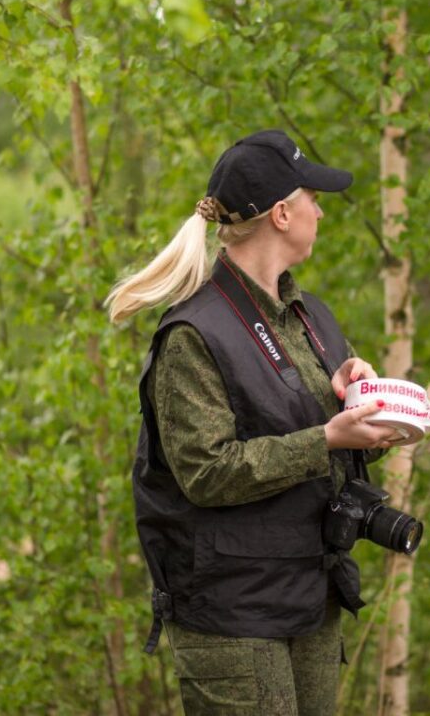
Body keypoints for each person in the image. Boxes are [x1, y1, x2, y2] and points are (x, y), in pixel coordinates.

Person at [107, 129, 402, 715]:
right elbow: (206, 473)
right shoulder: (193, 334)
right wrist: (324, 438)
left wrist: (360, 407)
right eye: (313, 197)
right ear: (283, 214)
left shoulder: (310, 315)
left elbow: (322, 444)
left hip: (310, 599)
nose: (322, 209)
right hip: (231, 615)